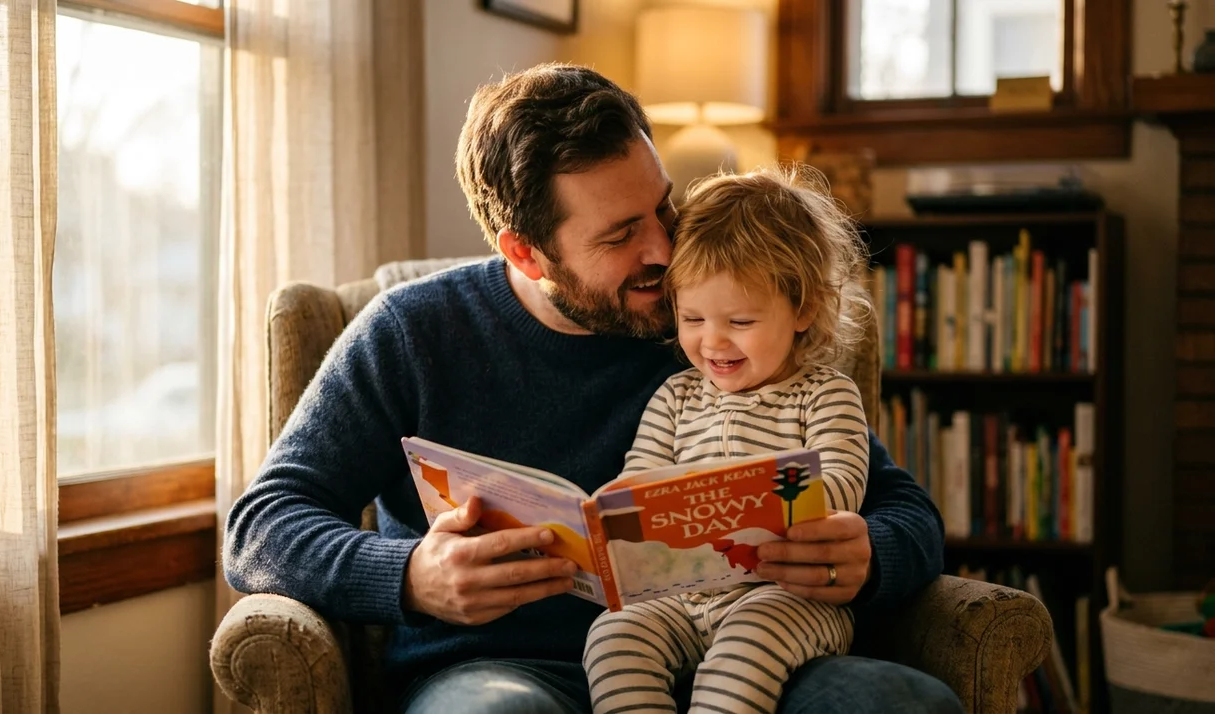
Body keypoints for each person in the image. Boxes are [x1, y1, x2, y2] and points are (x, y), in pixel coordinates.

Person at [223, 62, 959, 714]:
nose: (665, 252)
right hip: (501, 671)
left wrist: (871, 553)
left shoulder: (721, 323)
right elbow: (261, 524)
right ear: (526, 251)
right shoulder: (413, 333)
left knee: (902, 701)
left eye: (663, 208)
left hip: (742, 665)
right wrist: (410, 575)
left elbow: (904, 510)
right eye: (619, 235)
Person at [584, 166, 872, 714]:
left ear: (803, 308)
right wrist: (613, 511)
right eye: (691, 318)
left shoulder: (825, 394)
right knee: (612, 637)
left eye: (739, 321)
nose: (711, 341)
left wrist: (760, 499)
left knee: (748, 645)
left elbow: (841, 486)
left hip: (783, 597)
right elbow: (637, 477)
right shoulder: (675, 396)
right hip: (676, 596)